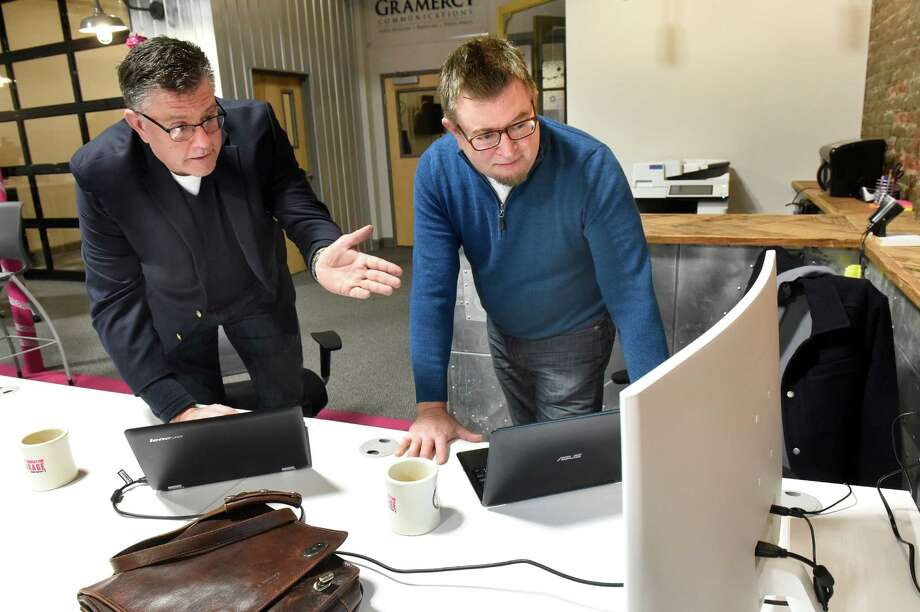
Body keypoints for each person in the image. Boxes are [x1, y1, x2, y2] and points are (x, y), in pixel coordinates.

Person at [71, 37, 401, 423]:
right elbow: (114, 297)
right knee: (199, 422)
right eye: (179, 128)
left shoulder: (254, 126)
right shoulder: (103, 171)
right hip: (176, 312)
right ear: (138, 125)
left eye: (209, 117)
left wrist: (320, 251)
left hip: (257, 294)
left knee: (285, 405)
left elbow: (292, 197)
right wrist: (171, 404)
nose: (203, 142)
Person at [397, 37, 669, 464]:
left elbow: (630, 292)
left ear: (534, 101)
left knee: (560, 459)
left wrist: (656, 407)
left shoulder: (590, 166)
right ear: (454, 130)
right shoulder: (437, 172)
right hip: (504, 331)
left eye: (522, 123)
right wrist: (430, 406)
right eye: (485, 135)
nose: (509, 149)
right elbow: (433, 290)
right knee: (529, 445)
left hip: (576, 335)